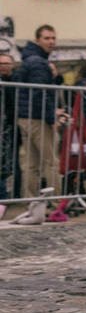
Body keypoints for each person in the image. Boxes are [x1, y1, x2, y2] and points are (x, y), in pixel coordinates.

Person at [14, 24, 65, 199]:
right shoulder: (38, 62)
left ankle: (31, 201)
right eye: (46, 38)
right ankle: (55, 201)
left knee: (31, 163)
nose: (51, 42)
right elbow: (40, 93)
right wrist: (51, 117)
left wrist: (55, 77)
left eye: (53, 38)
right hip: (38, 118)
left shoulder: (29, 59)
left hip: (26, 116)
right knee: (50, 162)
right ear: (37, 40)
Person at [0, 51, 18, 201]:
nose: (4, 66)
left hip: (13, 126)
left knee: (13, 161)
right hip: (4, 126)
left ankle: (14, 194)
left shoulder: (17, 80)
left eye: (7, 63)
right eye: (1, 64)